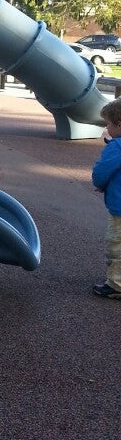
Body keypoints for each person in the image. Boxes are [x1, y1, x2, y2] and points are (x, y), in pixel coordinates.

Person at [90, 99, 121, 299]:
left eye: (108, 123)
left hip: (119, 208)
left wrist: (101, 184)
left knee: (116, 245)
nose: (106, 127)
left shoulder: (117, 146)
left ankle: (116, 284)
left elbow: (101, 172)